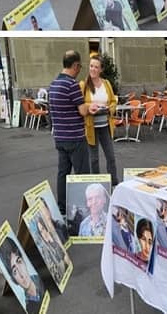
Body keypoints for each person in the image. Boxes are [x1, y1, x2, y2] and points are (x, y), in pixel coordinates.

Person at [49, 50, 90, 216]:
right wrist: (89, 106)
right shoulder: (72, 85)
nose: (79, 69)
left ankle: (62, 208)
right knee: (82, 175)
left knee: (63, 174)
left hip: (60, 137)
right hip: (75, 137)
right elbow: (82, 111)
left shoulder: (53, 84)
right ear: (74, 65)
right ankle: (84, 209)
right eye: (79, 66)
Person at [81, 56, 118, 185]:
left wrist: (110, 109)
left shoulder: (106, 84)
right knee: (94, 159)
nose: (93, 69)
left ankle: (114, 184)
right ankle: (95, 186)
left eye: (96, 67)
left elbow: (113, 101)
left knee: (111, 157)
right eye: (91, 66)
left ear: (101, 69)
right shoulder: (83, 85)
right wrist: (89, 107)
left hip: (105, 126)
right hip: (91, 127)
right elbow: (79, 105)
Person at [0, 238, 43, 314]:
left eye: (19, 261)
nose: (21, 274)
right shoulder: (30, 308)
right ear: (13, 279)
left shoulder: (39, 281)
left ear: (24, 261)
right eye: (15, 271)